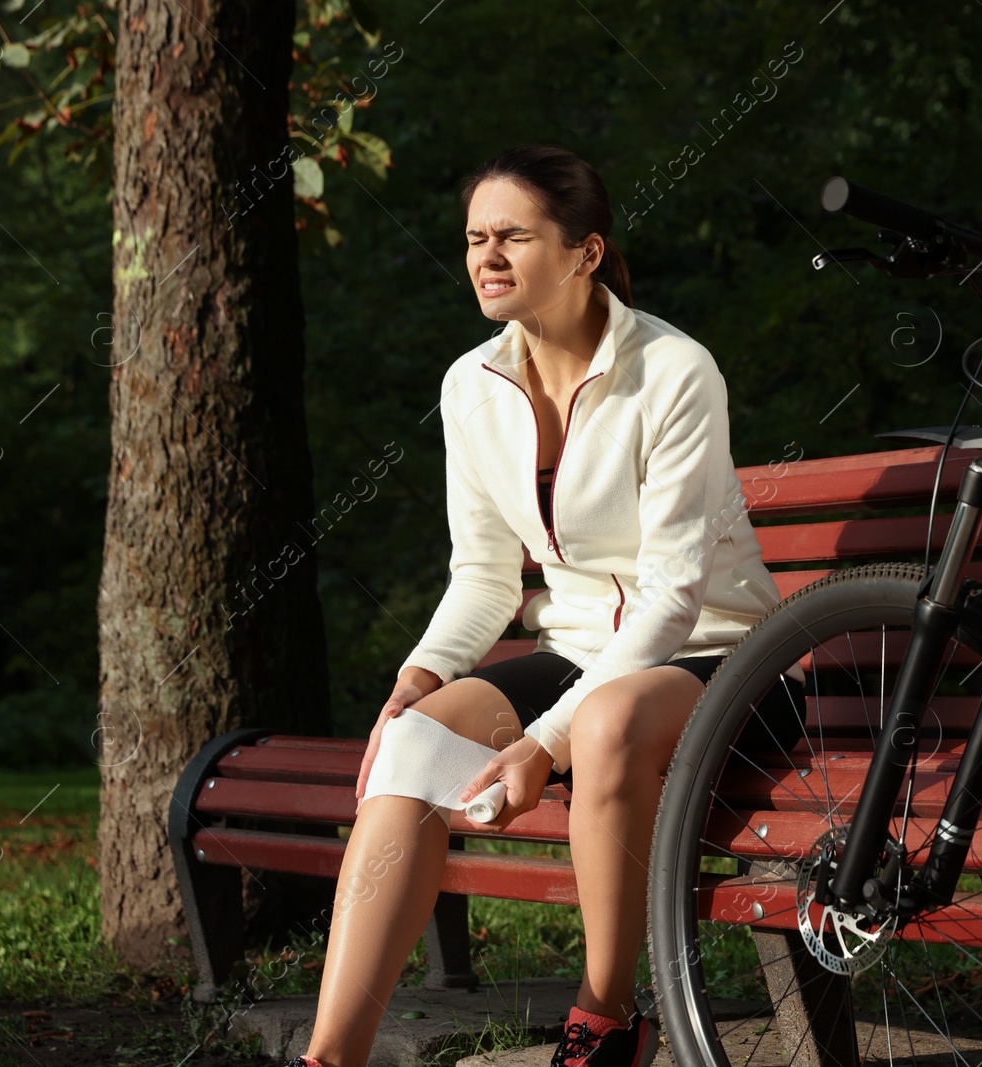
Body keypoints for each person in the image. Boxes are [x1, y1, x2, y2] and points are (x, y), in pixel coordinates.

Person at [289, 144, 805, 1067]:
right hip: (578, 653)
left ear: (584, 252)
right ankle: (332, 1055)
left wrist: (542, 743)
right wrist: (415, 682)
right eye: (476, 238)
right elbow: (486, 576)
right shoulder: (469, 385)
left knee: (603, 724)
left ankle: (607, 1017)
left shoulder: (675, 370)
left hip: (719, 657)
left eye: (513, 236)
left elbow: (673, 595)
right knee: (410, 745)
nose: (487, 256)